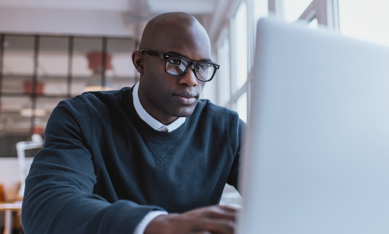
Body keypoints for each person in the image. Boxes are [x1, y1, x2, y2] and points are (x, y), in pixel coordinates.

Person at [22, 12, 245, 234]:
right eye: (175, 62)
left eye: (202, 67)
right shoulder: (82, 117)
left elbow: (276, 193)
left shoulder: (227, 129)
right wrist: (156, 225)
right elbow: (45, 207)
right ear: (140, 62)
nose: (191, 79)